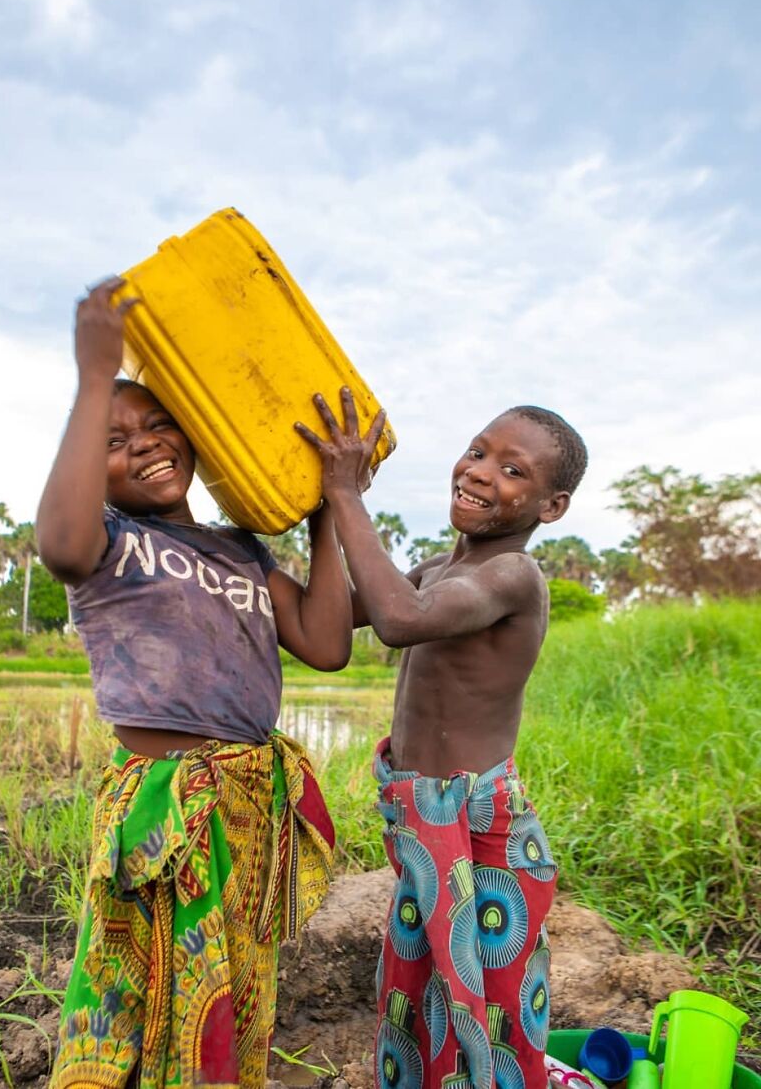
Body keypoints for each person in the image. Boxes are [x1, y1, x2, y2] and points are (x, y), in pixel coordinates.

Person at [37, 279, 357, 1089]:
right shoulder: (107, 542)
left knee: (234, 989)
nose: (143, 443)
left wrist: (322, 508)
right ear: (90, 467)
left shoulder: (242, 551)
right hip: (163, 814)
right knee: (138, 992)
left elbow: (324, 644)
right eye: (114, 440)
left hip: (244, 810)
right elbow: (60, 542)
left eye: (156, 423)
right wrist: (94, 375)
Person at [297, 389, 588, 1089]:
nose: (482, 472)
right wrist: (315, 517)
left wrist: (344, 496)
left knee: (489, 1011)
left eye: (514, 471)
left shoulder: (513, 577)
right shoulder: (436, 568)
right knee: (419, 991)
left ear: (552, 508)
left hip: (482, 839)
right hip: (423, 829)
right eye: (479, 451)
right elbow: (330, 629)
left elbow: (398, 618)